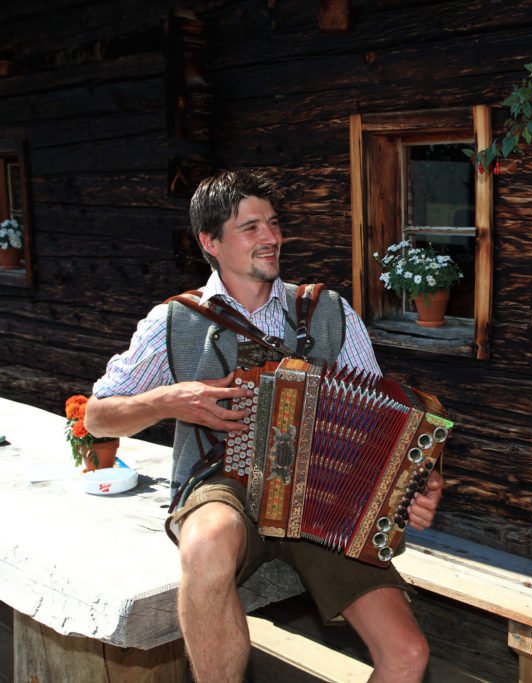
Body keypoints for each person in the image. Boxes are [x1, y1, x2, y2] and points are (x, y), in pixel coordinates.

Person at [85, 170, 443, 683]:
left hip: (323, 498)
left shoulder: (328, 311)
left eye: (273, 224)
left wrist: (416, 485)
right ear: (210, 241)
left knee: (407, 655)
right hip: (220, 485)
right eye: (250, 227)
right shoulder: (175, 321)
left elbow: (386, 425)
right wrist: (171, 400)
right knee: (206, 546)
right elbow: (97, 416)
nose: (271, 237)